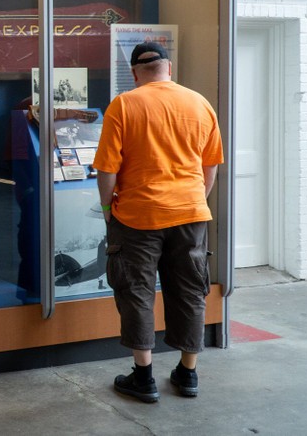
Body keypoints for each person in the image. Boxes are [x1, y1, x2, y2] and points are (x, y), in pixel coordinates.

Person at [92, 41, 223, 403]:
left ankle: (144, 377)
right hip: (191, 214)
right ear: (170, 69)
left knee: (136, 291)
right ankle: (188, 373)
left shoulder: (125, 104)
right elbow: (209, 166)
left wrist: (107, 211)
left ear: (135, 73)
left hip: (137, 216)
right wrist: (195, 199)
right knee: (190, 291)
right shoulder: (200, 104)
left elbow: (107, 169)